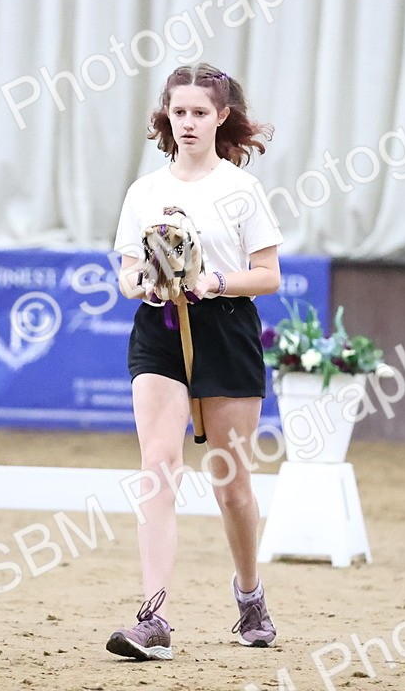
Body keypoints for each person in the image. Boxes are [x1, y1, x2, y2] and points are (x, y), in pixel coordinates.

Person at [106, 63, 283, 660]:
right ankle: (153, 617)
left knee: (231, 485)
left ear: (221, 117)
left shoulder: (242, 190)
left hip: (226, 329)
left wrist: (214, 281)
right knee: (158, 467)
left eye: (200, 113)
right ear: (167, 115)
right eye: (178, 112)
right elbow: (128, 270)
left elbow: (268, 275)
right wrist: (143, 284)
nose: (188, 122)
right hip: (159, 329)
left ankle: (250, 594)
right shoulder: (144, 192)